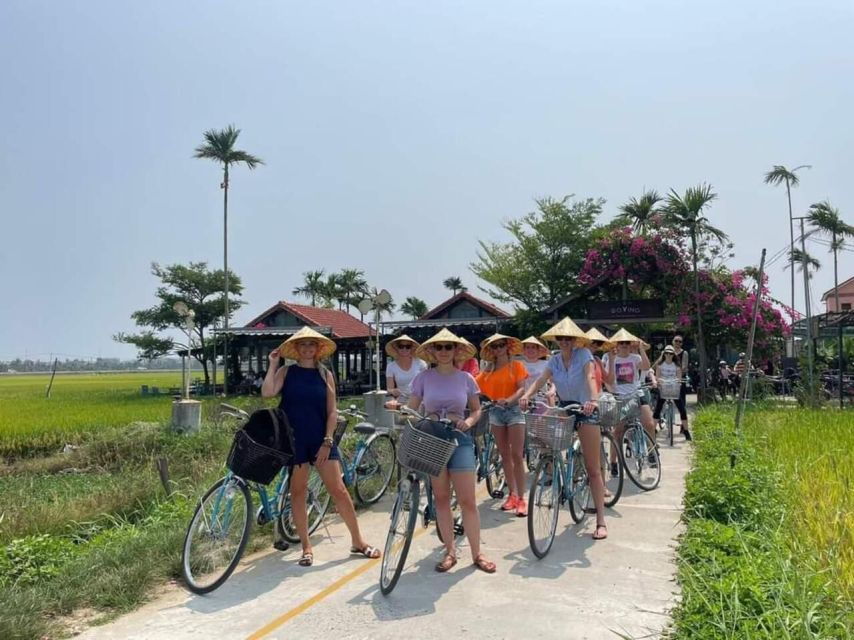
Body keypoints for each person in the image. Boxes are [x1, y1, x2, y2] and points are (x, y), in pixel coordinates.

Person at [262, 327, 380, 567]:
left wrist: (328, 441)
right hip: (294, 441)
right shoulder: (286, 371)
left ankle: (358, 541)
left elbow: (332, 411)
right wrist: (273, 364)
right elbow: (268, 393)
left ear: (318, 349)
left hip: (321, 439)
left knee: (338, 490)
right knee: (297, 492)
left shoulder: (325, 375)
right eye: (302, 345)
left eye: (311, 345)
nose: (307, 349)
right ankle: (306, 547)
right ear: (296, 349)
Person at [407, 328, 496, 574]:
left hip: (460, 438)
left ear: (457, 351)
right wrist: (399, 408)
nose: (444, 352)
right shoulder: (423, 378)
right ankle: (450, 551)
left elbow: (477, 409)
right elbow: (412, 408)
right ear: (432, 351)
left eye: (449, 347)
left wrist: (468, 422)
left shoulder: (466, 378)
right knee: (442, 498)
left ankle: (477, 552)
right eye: (439, 347)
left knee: (468, 500)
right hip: (433, 437)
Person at [519, 317, 607, 541]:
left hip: (586, 407)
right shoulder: (555, 360)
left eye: (569, 338)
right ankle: (551, 468)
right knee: (545, 431)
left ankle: (600, 521)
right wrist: (527, 396)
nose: (565, 341)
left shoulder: (584, 355)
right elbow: (541, 379)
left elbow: (589, 377)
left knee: (593, 467)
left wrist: (593, 400)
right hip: (565, 406)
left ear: (575, 340)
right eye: (561, 338)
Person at [476, 334, 529, 516]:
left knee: (516, 455)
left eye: (501, 345)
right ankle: (512, 494)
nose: (498, 349)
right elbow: (475, 389)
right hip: (495, 413)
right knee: (504, 455)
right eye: (494, 346)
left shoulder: (517, 366)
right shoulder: (487, 371)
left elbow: (522, 388)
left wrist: (509, 400)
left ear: (507, 347)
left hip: (513, 411)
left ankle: (522, 498)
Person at [602, 328, 658, 472]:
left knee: (649, 423)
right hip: (620, 397)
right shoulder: (611, 360)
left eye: (627, 342)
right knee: (618, 431)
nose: (624, 345)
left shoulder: (635, 358)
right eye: (621, 343)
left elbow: (646, 366)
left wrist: (641, 348)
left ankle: (652, 452)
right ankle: (614, 462)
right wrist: (612, 391)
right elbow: (608, 380)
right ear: (617, 345)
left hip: (636, 394)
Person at [652, 345, 690, 439]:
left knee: (682, 409)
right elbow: (657, 377)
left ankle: (686, 431)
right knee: (657, 409)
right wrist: (659, 381)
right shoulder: (660, 365)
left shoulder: (677, 365)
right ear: (664, 354)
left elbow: (679, 377)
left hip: (674, 389)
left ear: (673, 355)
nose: (669, 355)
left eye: (671, 353)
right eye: (667, 353)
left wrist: (677, 381)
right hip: (663, 389)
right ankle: (652, 430)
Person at [384, 335, 427, 410]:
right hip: (401, 402)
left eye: (408, 346)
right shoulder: (391, 366)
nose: (404, 349)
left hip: (420, 401)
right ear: (396, 348)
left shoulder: (421, 364)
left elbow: (426, 385)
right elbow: (389, 389)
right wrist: (394, 391)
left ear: (411, 348)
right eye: (401, 346)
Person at [520, 336, 556, 407]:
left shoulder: (546, 364)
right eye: (527, 347)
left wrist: (552, 390)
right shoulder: (519, 364)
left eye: (533, 347)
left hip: (542, 401)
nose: (530, 350)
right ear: (524, 350)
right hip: (524, 401)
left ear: (538, 350)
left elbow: (554, 381)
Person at [585, 327, 614, 395]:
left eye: (598, 343)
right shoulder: (578, 359)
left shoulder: (597, 360)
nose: (595, 345)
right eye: (592, 342)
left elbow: (609, 381)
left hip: (598, 399)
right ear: (585, 343)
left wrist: (611, 358)